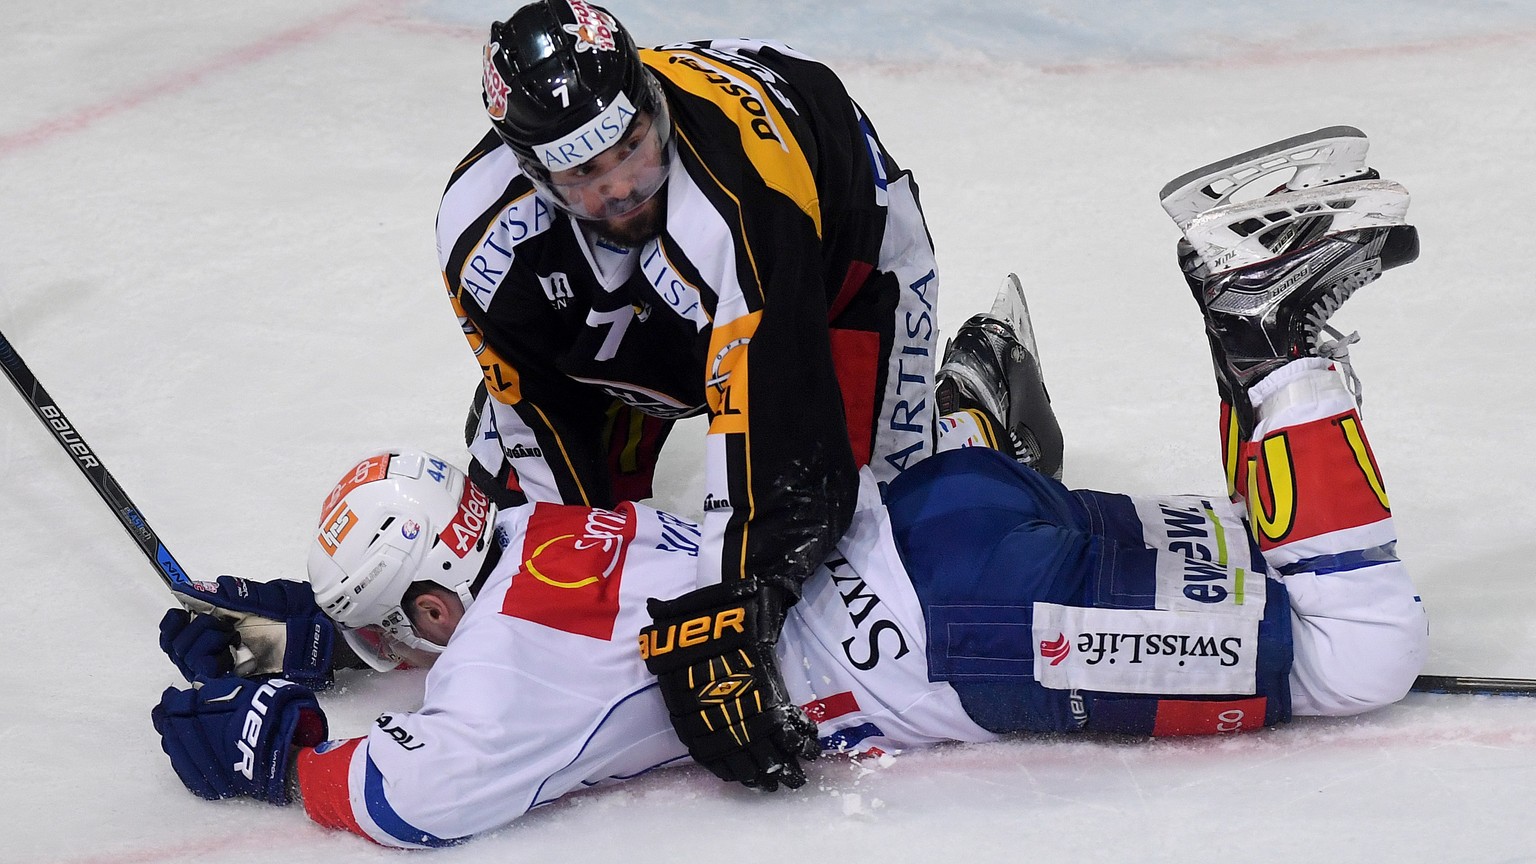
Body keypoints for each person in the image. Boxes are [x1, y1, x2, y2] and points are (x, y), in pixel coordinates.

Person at [150, 126, 1428, 848]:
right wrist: (319, 632)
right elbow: (478, 590)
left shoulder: (499, 671)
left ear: (435, 611)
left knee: (1353, 654)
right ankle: (999, 400)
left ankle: (1270, 345)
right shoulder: (537, 507)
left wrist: (275, 753)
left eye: (397, 631)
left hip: (975, 633)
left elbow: (403, 794)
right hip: (927, 507)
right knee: (1256, 568)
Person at [429, 0, 1067, 784]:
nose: (625, 186)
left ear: (650, 106)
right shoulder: (479, 234)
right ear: (533, 174)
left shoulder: (739, 202)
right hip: (657, 312)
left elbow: (784, 448)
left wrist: (731, 610)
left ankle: (979, 402)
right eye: (586, 173)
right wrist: (559, 594)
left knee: (887, 539)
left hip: (834, 268)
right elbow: (538, 430)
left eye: (633, 146)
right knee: (555, 534)